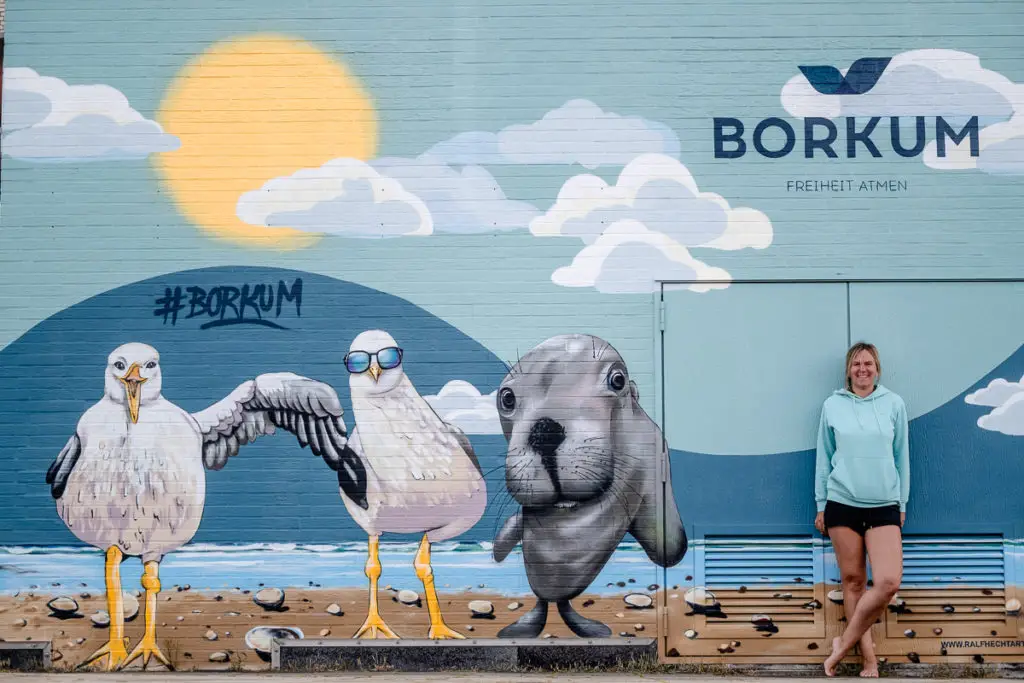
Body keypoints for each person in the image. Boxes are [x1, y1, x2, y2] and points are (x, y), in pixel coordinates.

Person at [814, 342, 910, 677]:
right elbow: (823, 458)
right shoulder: (833, 405)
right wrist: (820, 504)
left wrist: (902, 503)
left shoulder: (893, 404)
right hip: (841, 502)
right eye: (856, 364)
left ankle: (842, 645)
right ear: (849, 370)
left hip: (884, 503)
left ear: (877, 368)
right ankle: (868, 658)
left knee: (887, 582)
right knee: (853, 582)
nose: (862, 369)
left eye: (868, 363)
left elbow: (902, 457)